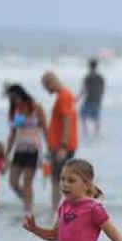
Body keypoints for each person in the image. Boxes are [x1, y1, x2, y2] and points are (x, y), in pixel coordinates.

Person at [4, 84, 46, 216]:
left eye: (15, 98)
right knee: (13, 182)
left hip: (33, 149)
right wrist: (6, 153)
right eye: (11, 99)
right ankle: (28, 202)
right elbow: (12, 134)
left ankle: (28, 211)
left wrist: (50, 149)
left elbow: (45, 129)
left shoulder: (36, 107)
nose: (14, 101)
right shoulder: (14, 111)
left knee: (27, 183)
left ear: (21, 95)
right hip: (19, 149)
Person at [41, 71, 80, 210]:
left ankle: (56, 210)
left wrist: (63, 146)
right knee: (60, 177)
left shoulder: (64, 96)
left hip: (62, 146)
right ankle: (58, 208)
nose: (46, 90)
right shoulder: (66, 95)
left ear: (50, 82)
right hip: (60, 145)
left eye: (46, 86)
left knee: (58, 179)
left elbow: (67, 121)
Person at [80, 59, 105, 140]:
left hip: (89, 99)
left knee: (83, 116)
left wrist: (77, 98)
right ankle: (96, 133)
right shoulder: (100, 77)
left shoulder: (87, 77)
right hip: (97, 100)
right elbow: (102, 89)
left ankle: (86, 133)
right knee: (96, 117)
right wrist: (99, 98)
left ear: (89, 66)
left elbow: (84, 90)